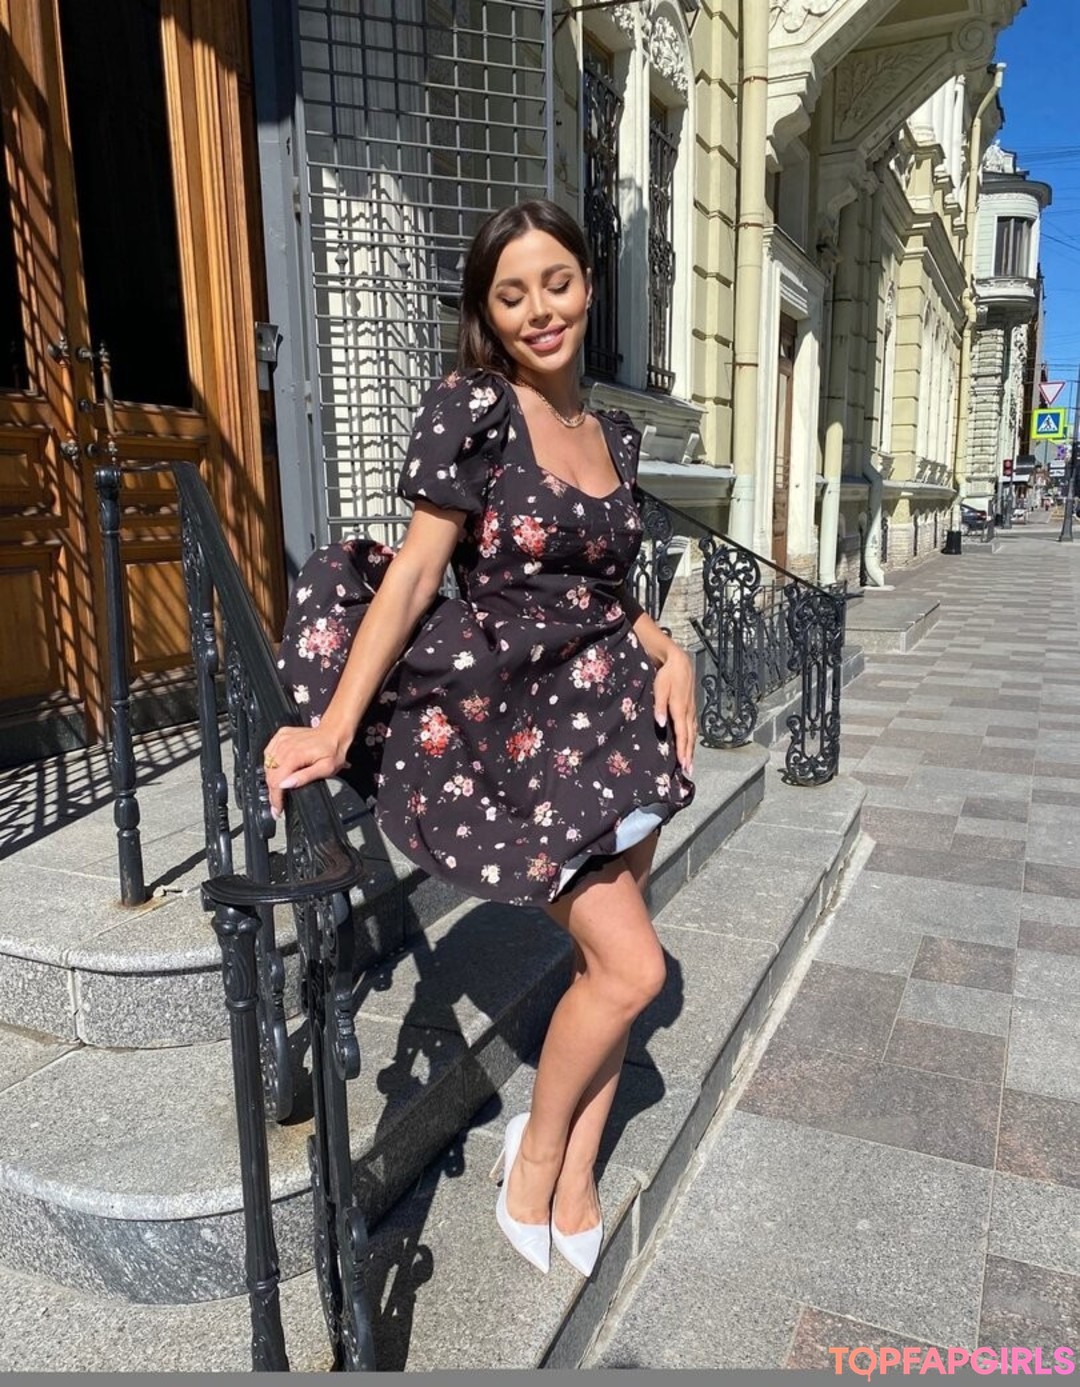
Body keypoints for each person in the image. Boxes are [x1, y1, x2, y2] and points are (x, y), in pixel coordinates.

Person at [264, 200, 697, 1279]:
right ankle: (534, 1152)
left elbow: (605, 588)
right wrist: (336, 723)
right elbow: (417, 571)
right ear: (488, 314)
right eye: (511, 296)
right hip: (519, 727)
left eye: (556, 282)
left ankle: (578, 1166)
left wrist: (668, 646)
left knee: (610, 964)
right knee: (635, 967)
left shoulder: (615, 433)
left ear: (588, 283)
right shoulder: (477, 408)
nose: (538, 310)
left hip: (620, 718)